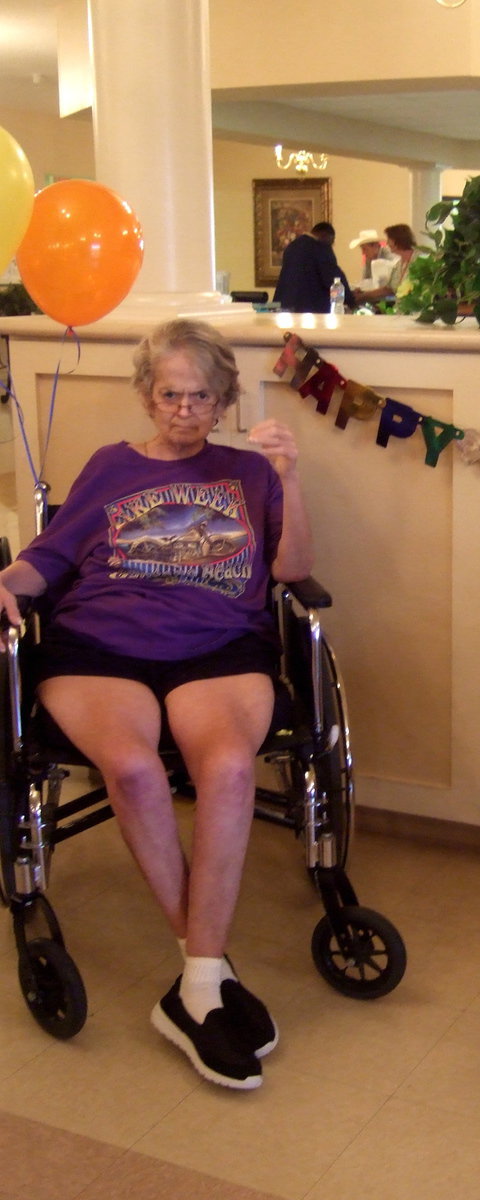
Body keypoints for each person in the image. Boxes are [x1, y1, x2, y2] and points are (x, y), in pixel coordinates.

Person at [0, 319, 315, 1091]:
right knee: (134, 770)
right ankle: (206, 974)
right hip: (99, 646)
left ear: (223, 399)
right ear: (147, 396)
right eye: (170, 394)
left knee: (232, 768)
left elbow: (295, 569)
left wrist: (291, 479)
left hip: (219, 646)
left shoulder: (251, 471)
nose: (183, 409)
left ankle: (195, 988)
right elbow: (49, 557)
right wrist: (5, 583)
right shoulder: (111, 467)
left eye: (200, 395)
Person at [273, 220, 355, 314]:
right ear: (325, 236)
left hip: (284, 308)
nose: (331, 245)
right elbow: (333, 279)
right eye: (331, 242)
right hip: (311, 310)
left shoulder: (292, 247)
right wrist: (351, 300)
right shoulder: (320, 248)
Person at [352, 223, 421, 306]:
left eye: (389, 240)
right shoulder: (399, 264)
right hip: (400, 310)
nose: (387, 244)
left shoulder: (419, 260)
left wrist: (364, 296)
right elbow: (389, 288)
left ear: (397, 241)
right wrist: (363, 294)